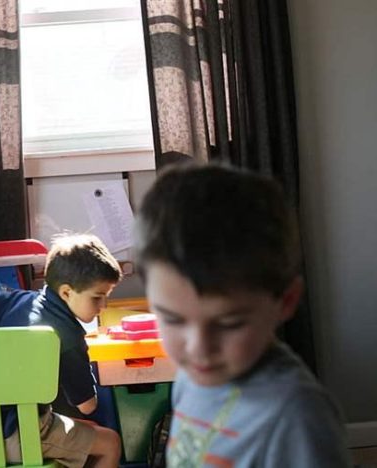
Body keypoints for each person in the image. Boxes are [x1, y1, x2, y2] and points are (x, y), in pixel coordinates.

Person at [134, 163, 350, 467]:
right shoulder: (192, 375)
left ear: (286, 302)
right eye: (172, 319)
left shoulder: (295, 416)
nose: (198, 348)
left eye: (229, 323)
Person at [0, 234, 123, 468]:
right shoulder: (68, 336)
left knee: (87, 430)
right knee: (110, 443)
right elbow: (87, 405)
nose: (102, 307)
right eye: (97, 298)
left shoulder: (19, 299)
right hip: (18, 437)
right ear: (67, 292)